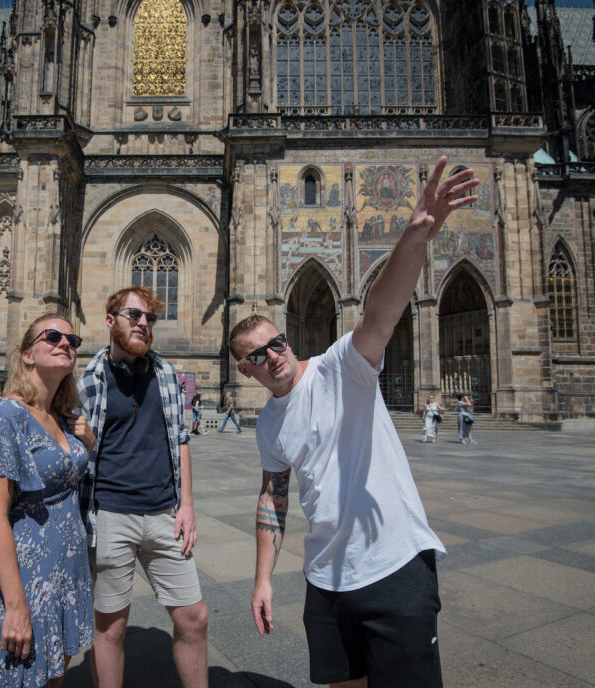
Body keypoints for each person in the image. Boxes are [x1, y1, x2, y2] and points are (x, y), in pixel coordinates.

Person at [231, 156, 478, 687]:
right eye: (258, 354)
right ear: (245, 370)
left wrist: (415, 236)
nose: (273, 354)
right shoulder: (267, 426)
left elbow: (380, 315)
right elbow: (273, 497)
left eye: (277, 342)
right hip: (326, 578)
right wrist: (263, 580)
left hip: (394, 566)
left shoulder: (342, 367)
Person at [78, 286, 208, 688]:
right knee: (112, 628)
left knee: (193, 617)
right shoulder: (88, 381)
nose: (143, 323)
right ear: (110, 320)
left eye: (149, 317)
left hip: (165, 514)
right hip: (112, 515)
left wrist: (186, 505)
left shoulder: (166, 374)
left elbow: (181, 440)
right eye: (133, 315)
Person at [0, 314, 95, 687]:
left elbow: (70, 475)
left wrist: (90, 442)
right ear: (26, 355)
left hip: (66, 573)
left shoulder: (61, 416)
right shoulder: (8, 416)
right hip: (28, 578)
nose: (65, 342)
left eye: (73, 339)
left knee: (54, 680)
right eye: (52, 336)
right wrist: (16, 607)